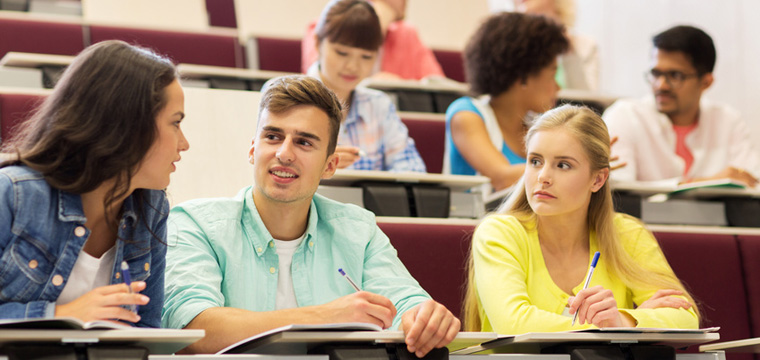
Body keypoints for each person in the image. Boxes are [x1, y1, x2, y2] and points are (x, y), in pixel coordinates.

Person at [162, 75, 459, 355]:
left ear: (330, 166)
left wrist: (425, 318)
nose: (284, 153)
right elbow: (193, 330)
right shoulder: (195, 224)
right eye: (273, 136)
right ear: (253, 150)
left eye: (304, 142)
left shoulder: (359, 230)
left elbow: (405, 301)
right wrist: (324, 316)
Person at [0, 40, 189, 327]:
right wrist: (61, 316)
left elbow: (146, 332)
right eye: (175, 123)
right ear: (127, 125)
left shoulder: (152, 206)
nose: (185, 144)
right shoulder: (13, 194)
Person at [462, 104, 699, 333]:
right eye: (535, 161)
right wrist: (610, 326)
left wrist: (623, 320)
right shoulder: (498, 232)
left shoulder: (628, 233)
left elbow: (685, 315)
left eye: (563, 165)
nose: (543, 177)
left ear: (597, 180)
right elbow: (513, 324)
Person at [604, 25, 760, 187]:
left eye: (675, 75)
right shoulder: (625, 115)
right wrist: (709, 183)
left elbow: (751, 183)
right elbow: (619, 192)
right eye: (656, 74)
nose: (661, 85)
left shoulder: (727, 120)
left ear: (706, 82)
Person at [444, 12, 569, 190]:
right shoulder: (466, 114)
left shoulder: (540, 126)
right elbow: (502, 178)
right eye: (552, 74)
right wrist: (574, 167)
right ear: (524, 76)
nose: (557, 87)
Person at [306, 0, 426, 172]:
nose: (353, 66)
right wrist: (318, 163)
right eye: (342, 53)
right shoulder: (288, 99)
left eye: (366, 57)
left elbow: (413, 171)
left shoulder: (378, 106)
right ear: (318, 44)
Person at [301, 0, 444, 80]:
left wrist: (400, 85)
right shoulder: (324, 26)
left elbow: (437, 84)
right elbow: (318, 75)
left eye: (367, 56)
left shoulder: (407, 33)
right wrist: (375, 25)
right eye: (342, 53)